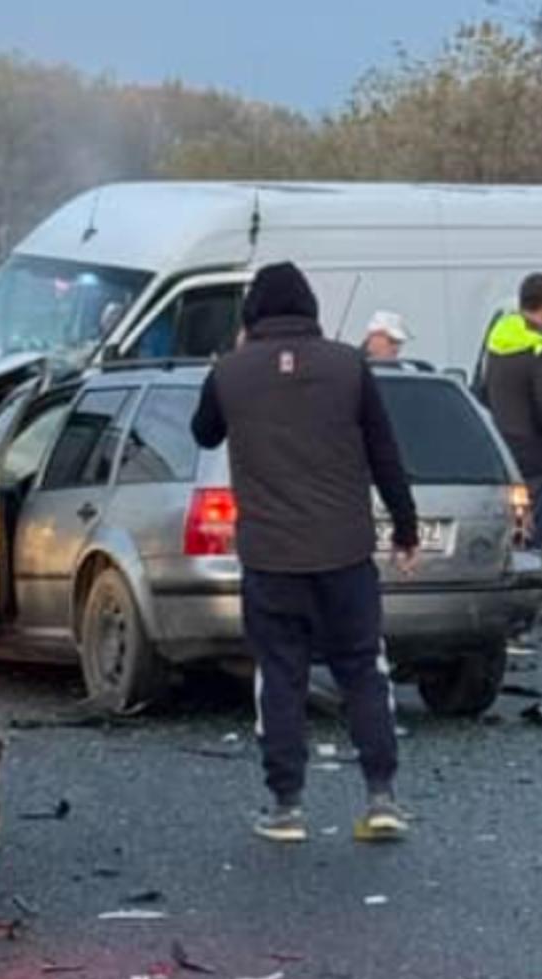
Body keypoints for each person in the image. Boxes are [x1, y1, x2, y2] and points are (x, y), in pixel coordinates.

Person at [190, 262, 419, 845]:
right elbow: (386, 452)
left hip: (271, 560)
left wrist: (238, 356)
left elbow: (203, 432)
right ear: (311, 309)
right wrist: (406, 528)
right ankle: (382, 797)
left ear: (252, 317)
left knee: (281, 676)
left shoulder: (230, 372)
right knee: (364, 670)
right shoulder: (350, 366)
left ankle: (286, 806)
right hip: (345, 553)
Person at [482, 273, 542, 552]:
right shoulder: (541, 350)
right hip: (537, 456)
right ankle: (530, 586)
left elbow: (483, 393)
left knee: (515, 531)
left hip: (505, 454)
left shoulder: (498, 342)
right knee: (532, 540)